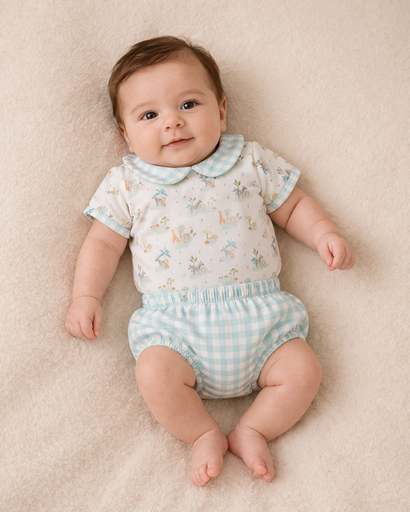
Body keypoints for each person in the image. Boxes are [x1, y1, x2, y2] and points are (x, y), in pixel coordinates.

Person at [65, 36, 354, 487]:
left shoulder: (249, 161)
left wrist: (324, 234)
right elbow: (102, 244)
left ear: (221, 110)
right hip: (175, 329)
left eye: (188, 104)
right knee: (153, 373)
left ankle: (253, 429)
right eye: (149, 115)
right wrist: (86, 296)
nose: (172, 122)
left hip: (262, 321)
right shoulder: (127, 183)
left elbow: (294, 205)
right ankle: (202, 434)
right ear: (125, 133)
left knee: (304, 370)